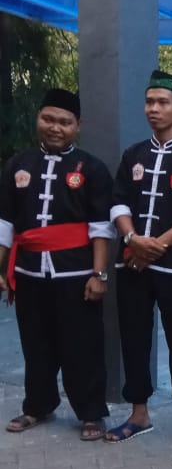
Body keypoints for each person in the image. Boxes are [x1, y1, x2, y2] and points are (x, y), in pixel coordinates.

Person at [106, 69, 172, 447]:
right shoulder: (133, 154)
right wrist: (133, 239)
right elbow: (118, 202)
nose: (154, 108)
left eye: (163, 102)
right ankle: (139, 413)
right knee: (134, 336)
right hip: (132, 262)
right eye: (149, 102)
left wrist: (156, 246)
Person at [0, 88, 113, 441]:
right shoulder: (18, 164)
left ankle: (91, 412)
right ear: (38, 118)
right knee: (35, 343)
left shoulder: (92, 168)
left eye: (64, 122)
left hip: (76, 273)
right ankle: (38, 405)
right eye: (48, 119)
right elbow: (5, 223)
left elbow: (101, 228)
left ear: (78, 126)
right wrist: (2, 270)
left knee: (82, 345)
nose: (55, 127)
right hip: (29, 271)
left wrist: (99, 274)